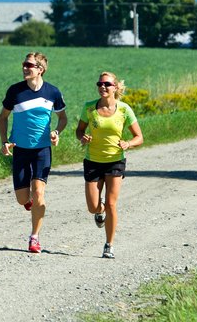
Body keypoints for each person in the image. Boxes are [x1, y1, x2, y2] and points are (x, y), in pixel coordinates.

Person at [0, 51, 68, 254]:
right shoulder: (15, 91)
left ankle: (34, 237)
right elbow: (2, 117)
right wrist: (5, 141)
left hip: (42, 150)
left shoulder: (52, 92)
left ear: (40, 69)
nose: (25, 68)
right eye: (24, 64)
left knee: (39, 193)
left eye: (29, 65)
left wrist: (56, 132)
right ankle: (29, 203)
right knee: (22, 199)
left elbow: (62, 118)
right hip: (20, 149)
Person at [76, 71, 143, 259]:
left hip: (115, 161)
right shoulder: (89, 108)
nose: (102, 87)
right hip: (93, 161)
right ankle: (100, 210)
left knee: (112, 203)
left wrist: (128, 144)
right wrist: (83, 137)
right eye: (99, 84)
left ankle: (109, 244)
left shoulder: (124, 110)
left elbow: (139, 137)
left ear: (115, 87)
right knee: (92, 206)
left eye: (106, 84)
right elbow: (79, 131)